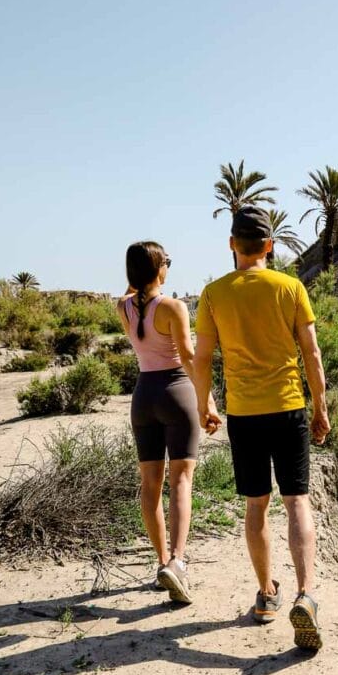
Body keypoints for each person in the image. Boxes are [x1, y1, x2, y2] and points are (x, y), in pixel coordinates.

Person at [193, 206, 330, 651]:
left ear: (232, 244)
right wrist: (321, 407)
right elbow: (311, 353)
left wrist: (204, 405)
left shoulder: (213, 294)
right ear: (269, 245)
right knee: (297, 501)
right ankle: (306, 594)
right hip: (288, 407)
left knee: (256, 505)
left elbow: (202, 358)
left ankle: (268, 595)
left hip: (244, 414)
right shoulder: (291, 287)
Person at [117, 241, 219, 604]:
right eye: (167, 263)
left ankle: (161, 561)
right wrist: (207, 401)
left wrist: (138, 275)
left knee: (150, 483)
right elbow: (189, 357)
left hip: (143, 396)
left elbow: (133, 292)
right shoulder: (174, 307)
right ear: (159, 268)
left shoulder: (123, 307)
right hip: (176, 392)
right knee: (181, 479)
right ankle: (177, 560)